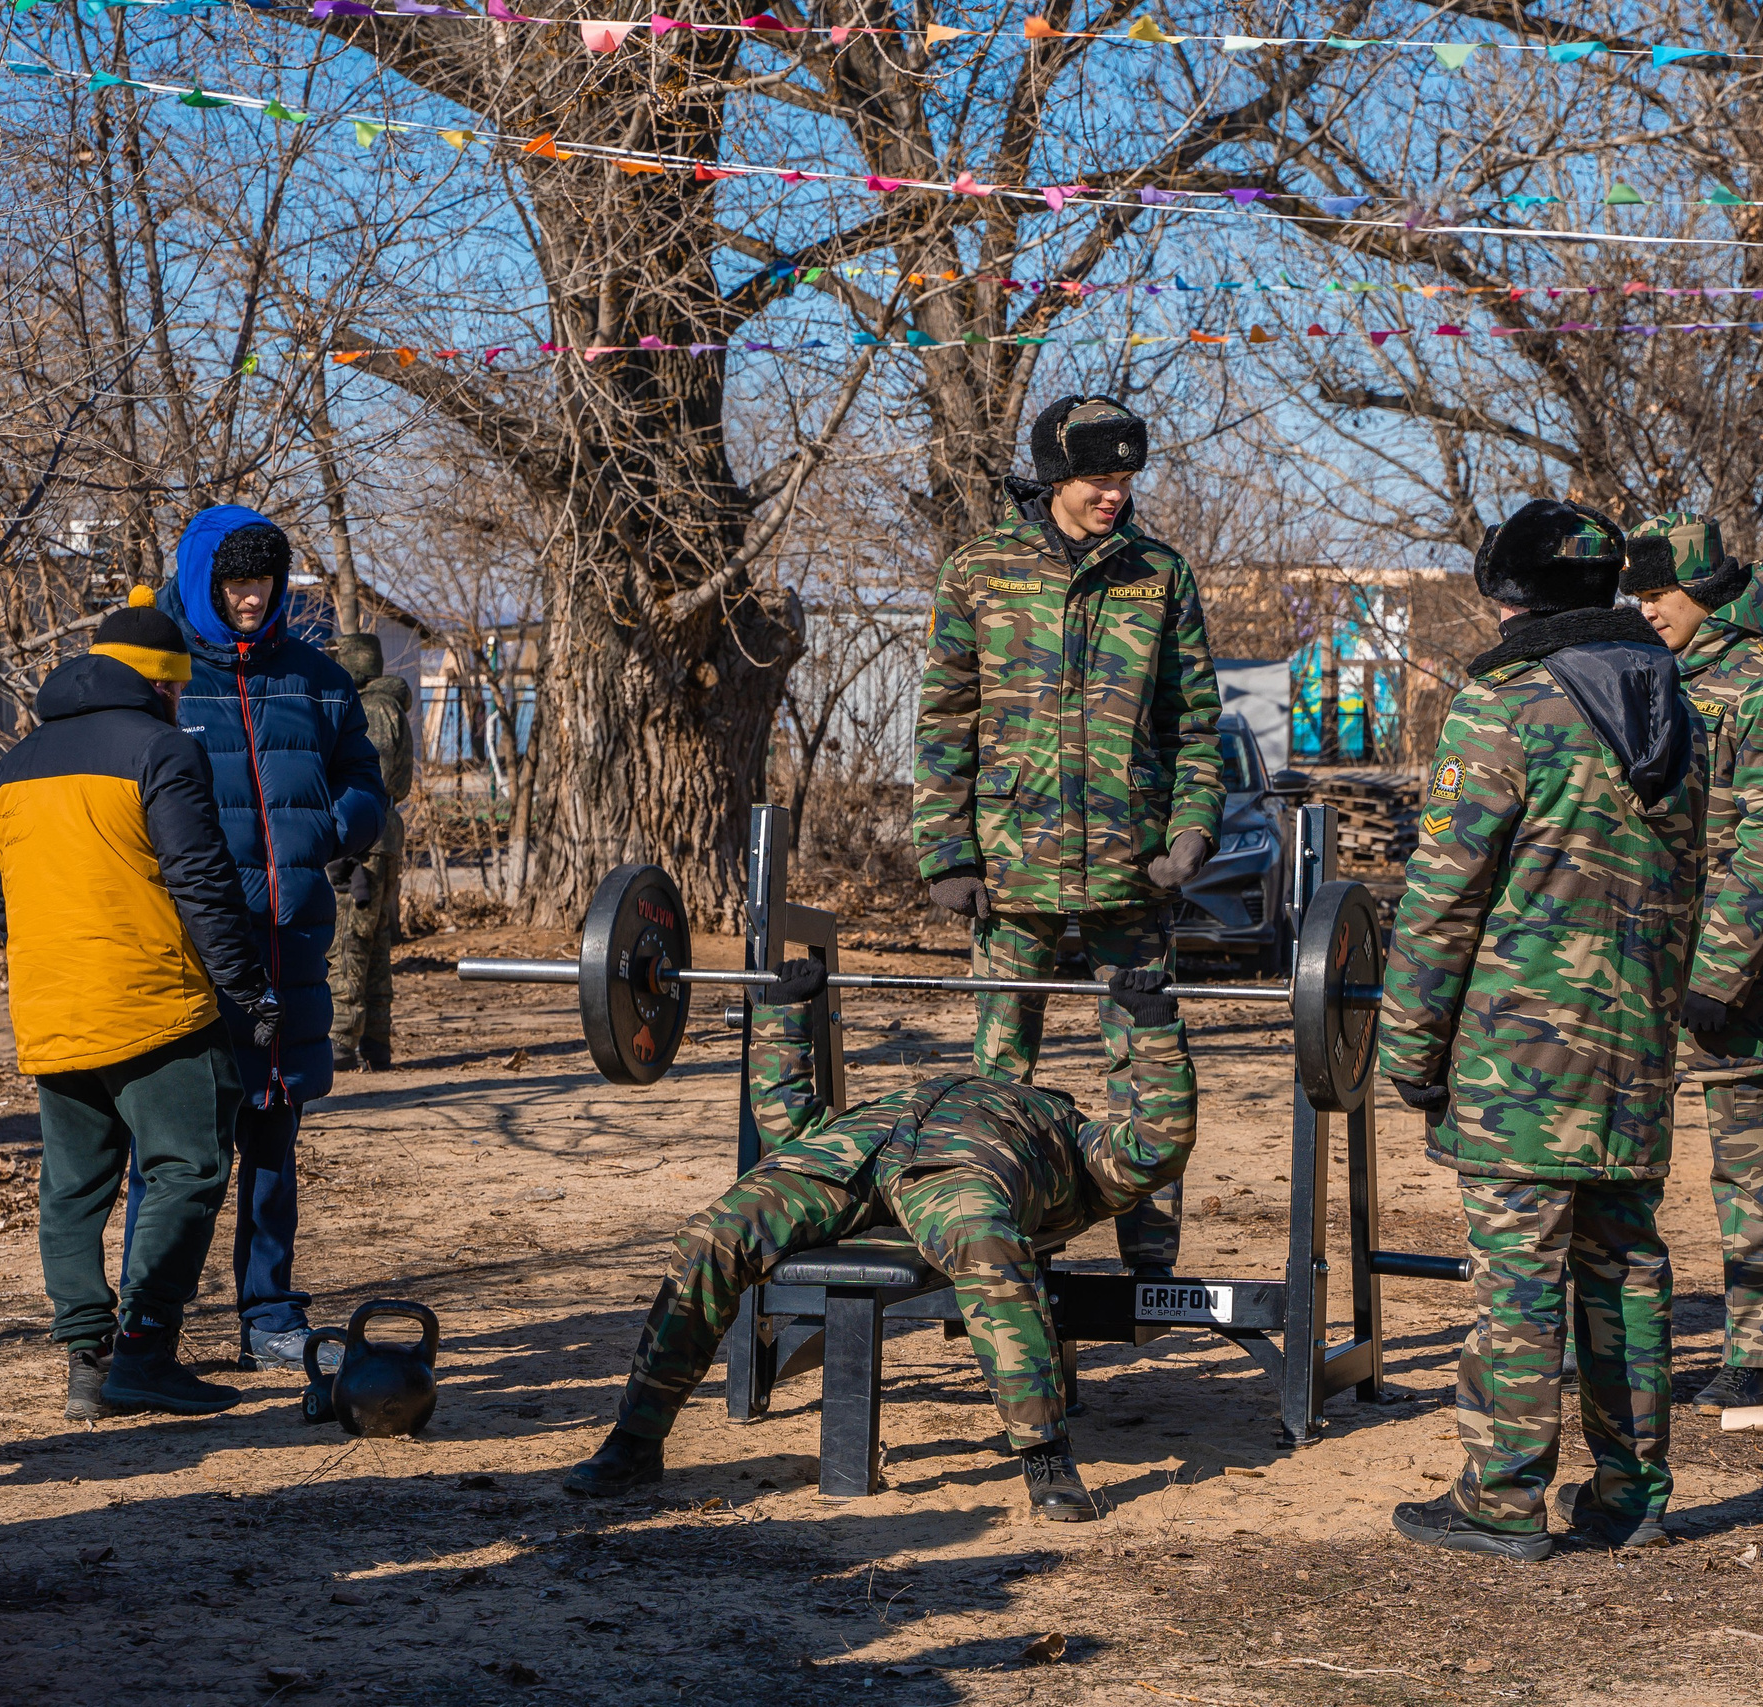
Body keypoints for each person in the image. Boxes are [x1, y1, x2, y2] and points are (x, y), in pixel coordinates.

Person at [561, 958, 1191, 1519]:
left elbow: (1152, 1149)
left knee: (984, 1245)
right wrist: (784, 1012)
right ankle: (637, 1440)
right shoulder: (907, 1094)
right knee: (713, 1237)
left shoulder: (1069, 1132)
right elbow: (792, 1130)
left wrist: (1156, 1029)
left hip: (965, 1170)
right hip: (856, 1147)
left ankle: (1044, 1452)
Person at [1378, 500, 1701, 1560]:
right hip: (1635, 1050)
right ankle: (1631, 1496)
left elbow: (1441, 897)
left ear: (1507, 596)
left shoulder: (1505, 704)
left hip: (1520, 1052)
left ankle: (1500, 1499)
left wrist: (1409, 1054)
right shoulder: (1676, 699)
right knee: (1626, 1269)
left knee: (1518, 1274)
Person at [913, 395, 1222, 1278]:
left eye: (1125, 480)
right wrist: (947, 851)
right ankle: (1001, 1255)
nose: (1114, 496)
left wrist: (1192, 828)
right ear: (1055, 476)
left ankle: (1150, 1261)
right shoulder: (980, 570)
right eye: (1098, 479)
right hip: (1011, 875)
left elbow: (1194, 723)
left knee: (1148, 1071)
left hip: (1134, 874)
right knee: (999, 1079)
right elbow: (944, 719)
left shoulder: (1160, 575)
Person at [0, 591, 279, 1419]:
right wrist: (247, 988)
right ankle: (145, 1349)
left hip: (50, 1007)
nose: (181, 700)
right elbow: (201, 880)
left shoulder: (11, 767)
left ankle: (88, 1360)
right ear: (157, 680)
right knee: (187, 1167)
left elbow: (9, 901)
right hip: (156, 1005)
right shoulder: (160, 749)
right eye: (176, 685)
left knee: (74, 1187)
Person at [150, 506, 386, 1371]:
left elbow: (365, 775)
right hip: (195, 950)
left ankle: (270, 1310)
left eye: (263, 580)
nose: (251, 598)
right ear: (203, 582)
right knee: (179, 1145)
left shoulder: (319, 678)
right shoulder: (164, 680)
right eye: (234, 581)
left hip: (292, 942)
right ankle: (153, 1326)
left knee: (275, 1128)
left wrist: (338, 826)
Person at [1624, 516, 1763, 1414]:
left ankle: (1758, 1350)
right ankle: (1631, 1348)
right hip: (1641, 964)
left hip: (1739, 980)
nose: (1645, 609)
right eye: (1636, 595)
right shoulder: (1647, 676)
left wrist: (1716, 972)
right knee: (1623, 1163)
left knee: (1748, 1163)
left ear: (1703, 594)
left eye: (1659, 594)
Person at [328, 632, 413, 1073]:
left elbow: (368, 778)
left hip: (364, 836)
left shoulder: (366, 709)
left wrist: (348, 843)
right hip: (385, 836)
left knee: (348, 938)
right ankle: (377, 1041)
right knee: (376, 938)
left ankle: (341, 1039)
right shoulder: (391, 706)